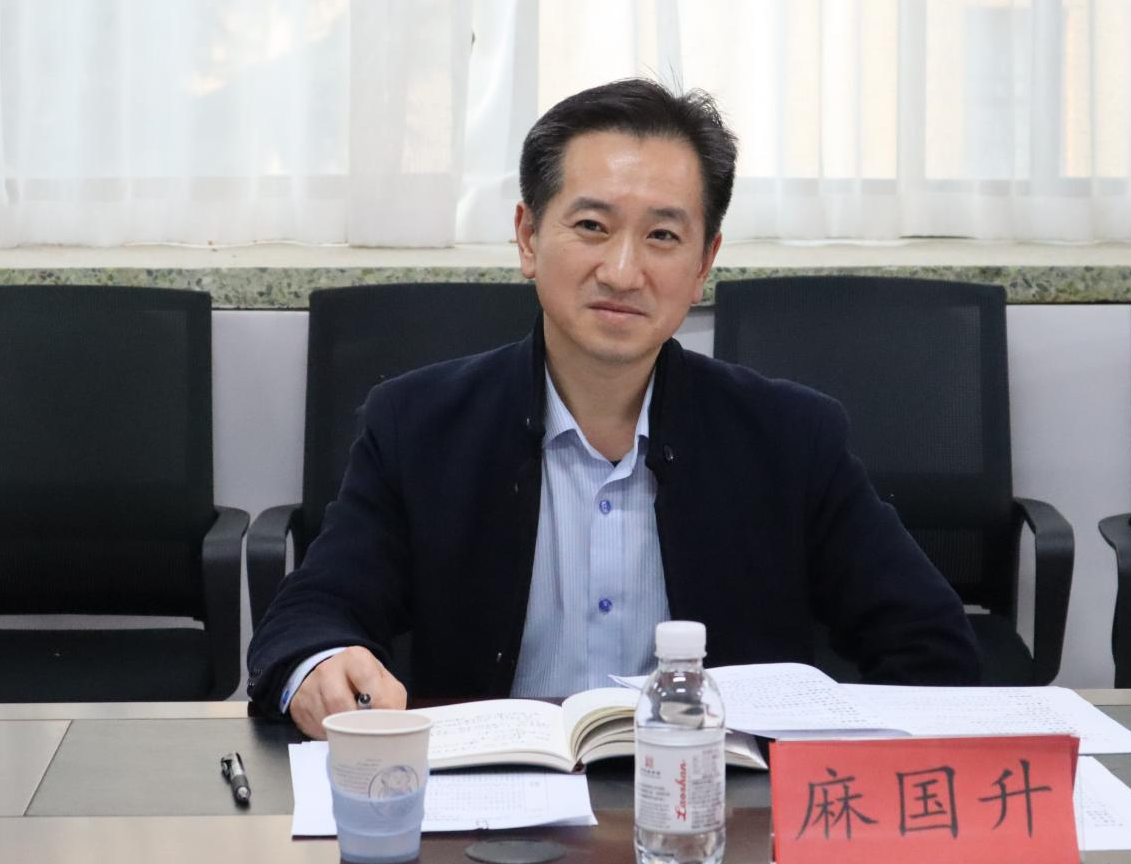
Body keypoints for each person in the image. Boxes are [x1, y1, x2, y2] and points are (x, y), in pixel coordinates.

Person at [247, 78, 980, 739]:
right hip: (492, 815)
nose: (624, 272)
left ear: (704, 263)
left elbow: (930, 645)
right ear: (528, 237)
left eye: (663, 236)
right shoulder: (419, 426)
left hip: (716, 811)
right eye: (592, 227)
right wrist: (321, 665)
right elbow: (311, 616)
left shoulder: (789, 439)